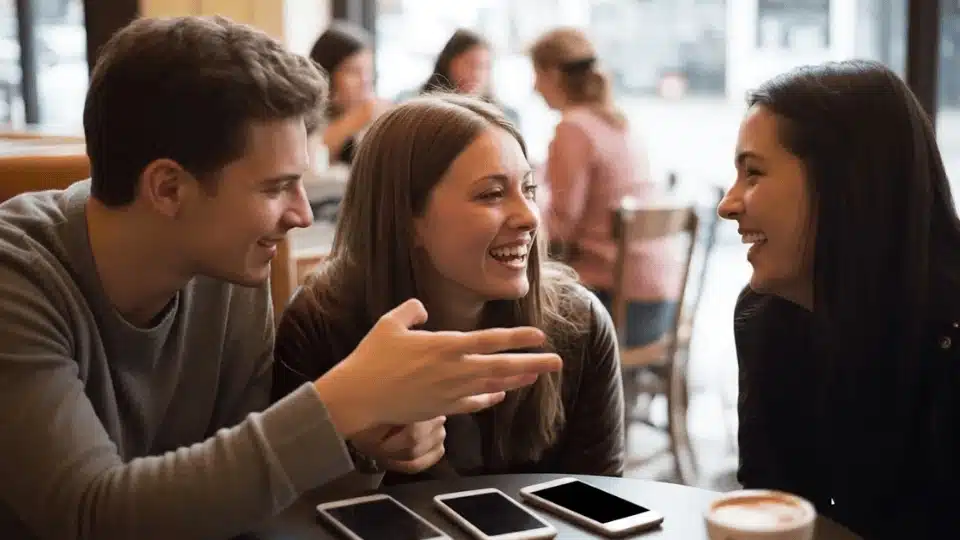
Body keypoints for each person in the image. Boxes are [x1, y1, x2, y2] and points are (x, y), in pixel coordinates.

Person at [0, 16, 562, 540]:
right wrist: (339, 403)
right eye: (275, 188)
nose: (302, 214)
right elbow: (89, 514)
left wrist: (365, 443)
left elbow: (242, 501)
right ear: (168, 188)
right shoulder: (18, 276)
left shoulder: (227, 269)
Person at [272, 93, 625, 491]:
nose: (529, 217)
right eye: (491, 194)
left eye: (528, 189)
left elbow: (604, 503)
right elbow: (289, 513)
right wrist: (364, 455)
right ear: (407, 220)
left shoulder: (578, 325)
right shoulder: (320, 325)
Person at [719, 59, 960, 538]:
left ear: (843, 184)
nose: (727, 204)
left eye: (754, 174)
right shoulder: (767, 317)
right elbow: (774, 508)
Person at [529, 27, 682, 348]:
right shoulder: (618, 123)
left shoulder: (572, 128)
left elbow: (560, 228)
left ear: (553, 74)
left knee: (517, 310)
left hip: (617, 309)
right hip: (661, 304)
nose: (534, 86)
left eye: (537, 74)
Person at [308, 21, 388, 164]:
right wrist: (357, 118)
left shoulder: (373, 117)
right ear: (327, 74)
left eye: (368, 71)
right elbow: (312, 161)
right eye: (353, 72)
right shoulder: (306, 117)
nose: (365, 81)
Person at [417, 28, 519, 124]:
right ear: (447, 63)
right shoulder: (418, 108)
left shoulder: (506, 117)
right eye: (469, 63)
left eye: (484, 66)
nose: (476, 74)